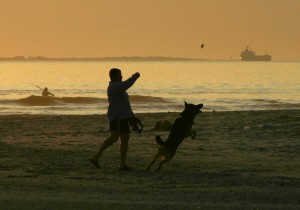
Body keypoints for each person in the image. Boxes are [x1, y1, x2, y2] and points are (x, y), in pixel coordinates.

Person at [89, 68, 140, 171]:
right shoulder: (114, 87)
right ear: (113, 77)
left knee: (124, 139)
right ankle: (96, 157)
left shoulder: (118, 87)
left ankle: (122, 164)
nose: (121, 76)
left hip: (124, 117)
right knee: (114, 137)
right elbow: (127, 84)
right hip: (117, 117)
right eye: (119, 75)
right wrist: (135, 76)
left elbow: (124, 103)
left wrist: (131, 115)